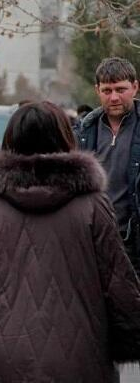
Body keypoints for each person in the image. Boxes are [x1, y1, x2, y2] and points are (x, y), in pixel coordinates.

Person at [0, 102, 140, 382]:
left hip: (3, 355)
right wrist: (127, 337)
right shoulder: (93, 204)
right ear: (65, 137)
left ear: (10, 140)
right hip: (82, 356)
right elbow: (117, 281)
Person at [76, 57, 140, 275]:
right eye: (107, 90)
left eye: (121, 89)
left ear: (135, 87)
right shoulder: (85, 131)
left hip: (133, 242)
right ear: (97, 90)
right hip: (94, 241)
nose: (114, 97)